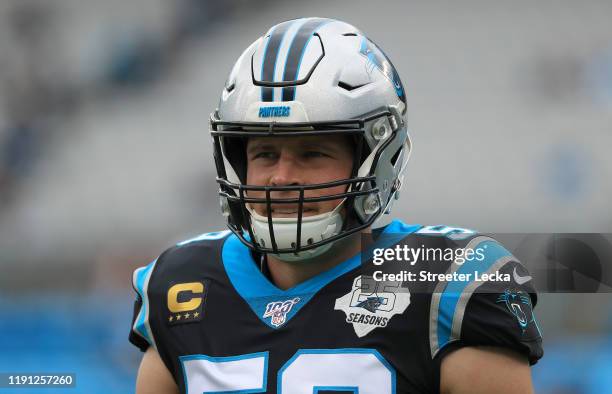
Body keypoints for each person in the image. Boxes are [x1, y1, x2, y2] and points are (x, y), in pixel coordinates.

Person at [129, 17, 543, 394]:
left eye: (312, 153)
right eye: (265, 155)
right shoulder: (181, 284)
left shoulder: (451, 280)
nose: (282, 177)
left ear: (376, 160)